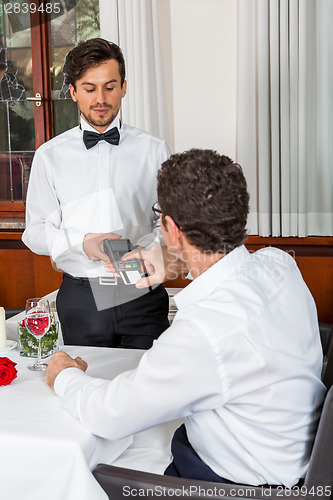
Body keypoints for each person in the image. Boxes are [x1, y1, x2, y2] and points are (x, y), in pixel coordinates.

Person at [45, 149, 325, 486]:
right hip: (289, 454)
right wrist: (176, 263)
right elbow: (228, 274)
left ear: (171, 229)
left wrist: (65, 376)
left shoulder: (202, 334)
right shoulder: (279, 264)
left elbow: (106, 415)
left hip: (235, 484)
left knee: (83, 473)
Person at [22, 38, 170, 349]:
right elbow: (34, 232)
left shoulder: (154, 150)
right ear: (73, 92)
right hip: (81, 299)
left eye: (110, 87)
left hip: (141, 292)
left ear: (124, 88)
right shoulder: (49, 156)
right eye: (89, 88)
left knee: (151, 391)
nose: (100, 98)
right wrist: (83, 243)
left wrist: (148, 250)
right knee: (86, 389)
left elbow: (168, 224)